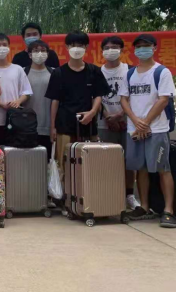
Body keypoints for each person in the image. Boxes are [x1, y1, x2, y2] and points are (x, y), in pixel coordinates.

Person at [120, 34, 176, 228]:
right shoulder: (129, 74)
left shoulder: (161, 72)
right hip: (134, 130)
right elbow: (124, 99)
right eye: (138, 46)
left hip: (157, 129)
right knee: (140, 169)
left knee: (162, 168)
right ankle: (144, 206)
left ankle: (168, 210)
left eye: (146, 45)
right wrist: (136, 122)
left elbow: (163, 99)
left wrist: (145, 123)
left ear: (154, 48)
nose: (142, 49)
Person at [45, 31, 110, 183]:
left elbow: (98, 95)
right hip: (64, 125)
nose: (76, 48)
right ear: (67, 47)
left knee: (88, 162)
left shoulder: (94, 71)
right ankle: (65, 194)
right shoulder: (58, 73)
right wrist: (52, 127)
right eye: (73, 45)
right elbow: (55, 101)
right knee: (64, 162)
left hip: (88, 125)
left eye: (80, 45)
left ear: (86, 47)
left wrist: (92, 112)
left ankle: (87, 194)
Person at [98, 36, 140, 210]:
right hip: (104, 123)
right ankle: (109, 194)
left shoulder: (130, 71)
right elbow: (95, 97)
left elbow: (135, 97)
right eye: (107, 48)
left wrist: (121, 115)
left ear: (122, 50)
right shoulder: (97, 72)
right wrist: (108, 116)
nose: (111, 50)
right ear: (102, 51)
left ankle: (129, 194)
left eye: (114, 47)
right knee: (106, 161)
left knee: (129, 161)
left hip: (127, 122)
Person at [0, 34, 33, 146]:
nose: (1, 48)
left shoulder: (17, 69)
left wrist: (18, 101)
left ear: (9, 47)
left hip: (15, 119)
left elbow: (27, 92)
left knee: (13, 151)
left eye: (4, 45)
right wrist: (0, 104)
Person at [22, 40, 53, 157]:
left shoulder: (54, 73)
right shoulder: (23, 72)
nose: (40, 53)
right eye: (36, 51)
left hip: (48, 127)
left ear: (47, 54)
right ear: (30, 54)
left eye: (43, 50)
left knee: (47, 161)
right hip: (27, 128)